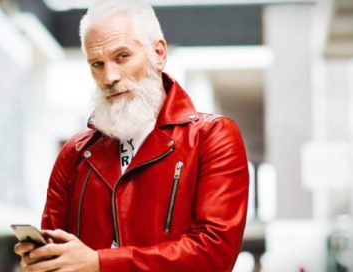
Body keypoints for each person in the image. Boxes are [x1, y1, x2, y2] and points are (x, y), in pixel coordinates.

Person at [14, 0, 249, 271]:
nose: (109, 77)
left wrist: (100, 263)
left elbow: (214, 254)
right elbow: (57, 255)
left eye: (122, 57)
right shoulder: (75, 153)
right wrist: (42, 260)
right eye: (97, 64)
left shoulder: (212, 137)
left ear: (159, 53)